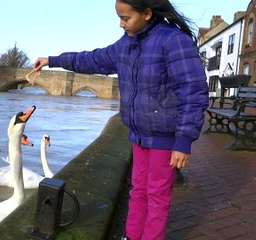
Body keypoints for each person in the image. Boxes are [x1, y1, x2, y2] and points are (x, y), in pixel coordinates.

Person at [30, 0, 209, 239]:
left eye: (125, 18)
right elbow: (91, 59)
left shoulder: (173, 40)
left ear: (147, 13)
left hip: (164, 136)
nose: (121, 24)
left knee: (157, 197)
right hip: (138, 134)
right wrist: (53, 60)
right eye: (119, 17)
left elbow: (192, 90)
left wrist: (183, 140)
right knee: (138, 192)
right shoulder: (126, 44)